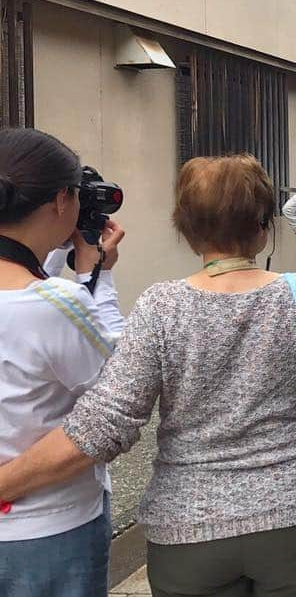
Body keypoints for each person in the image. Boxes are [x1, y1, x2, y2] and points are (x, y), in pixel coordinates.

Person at [0, 154, 296, 597]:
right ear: (262, 225)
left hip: (188, 526)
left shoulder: (161, 306)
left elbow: (106, 423)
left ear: (187, 228)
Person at [0, 128, 125, 597]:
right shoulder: (56, 303)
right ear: (59, 201)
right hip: (44, 528)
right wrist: (99, 278)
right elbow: (118, 378)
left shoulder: (46, 297)